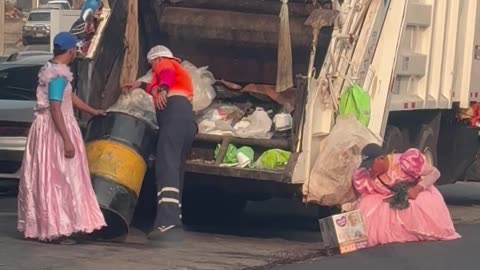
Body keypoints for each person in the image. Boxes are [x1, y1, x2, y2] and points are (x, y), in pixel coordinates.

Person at [17, 32, 106, 244]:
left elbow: (70, 97)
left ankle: (54, 224)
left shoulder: (52, 70)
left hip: (46, 128)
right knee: (61, 177)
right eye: (75, 49)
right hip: (55, 130)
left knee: (50, 176)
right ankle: (58, 227)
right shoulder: (56, 76)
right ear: (70, 51)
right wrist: (66, 138)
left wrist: (92, 111)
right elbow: (56, 107)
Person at [123, 45, 197, 241]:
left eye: (151, 64)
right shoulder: (176, 73)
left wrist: (163, 89)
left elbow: (165, 74)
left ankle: (167, 222)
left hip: (174, 118)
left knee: (167, 167)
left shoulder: (165, 64)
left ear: (155, 59)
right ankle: (175, 220)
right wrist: (141, 86)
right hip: (185, 120)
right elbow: (156, 86)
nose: (152, 68)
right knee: (176, 168)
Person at [352, 143, 461, 247]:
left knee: (418, 204)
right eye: (367, 165)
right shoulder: (368, 175)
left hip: (416, 193)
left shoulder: (404, 162)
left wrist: (418, 188)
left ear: (381, 159)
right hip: (392, 198)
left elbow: (435, 173)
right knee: (368, 204)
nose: (369, 169)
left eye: (371, 165)